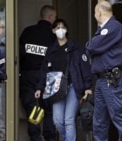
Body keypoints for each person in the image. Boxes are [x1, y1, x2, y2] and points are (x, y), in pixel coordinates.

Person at [86, 1, 122, 141]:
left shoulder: (113, 27)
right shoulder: (105, 28)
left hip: (111, 79)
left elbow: (91, 47)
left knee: (118, 116)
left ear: (99, 13)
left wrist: (93, 46)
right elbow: (94, 48)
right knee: (99, 120)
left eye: (94, 12)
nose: (94, 15)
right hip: (102, 80)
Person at [34, 18, 93, 141]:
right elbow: (45, 71)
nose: (60, 30)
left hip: (73, 87)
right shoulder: (51, 50)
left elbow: (85, 68)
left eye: (62, 27)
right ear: (53, 31)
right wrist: (40, 87)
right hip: (56, 88)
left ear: (66, 30)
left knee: (69, 120)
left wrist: (87, 87)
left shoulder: (75, 48)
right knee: (57, 120)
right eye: (57, 28)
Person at [19, 5, 57, 141]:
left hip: (28, 75)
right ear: (51, 17)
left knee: (33, 109)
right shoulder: (53, 36)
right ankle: (49, 137)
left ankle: (35, 138)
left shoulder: (28, 32)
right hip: (47, 76)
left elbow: (19, 54)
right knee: (48, 111)